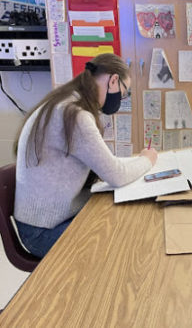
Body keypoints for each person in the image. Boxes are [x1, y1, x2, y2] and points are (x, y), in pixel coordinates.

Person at [14, 53, 158, 258]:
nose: (120, 100)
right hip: (42, 232)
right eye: (124, 93)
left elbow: (106, 165)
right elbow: (117, 175)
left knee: (119, 222)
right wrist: (148, 159)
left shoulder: (66, 101)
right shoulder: (74, 115)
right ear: (114, 80)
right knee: (124, 245)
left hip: (44, 221)